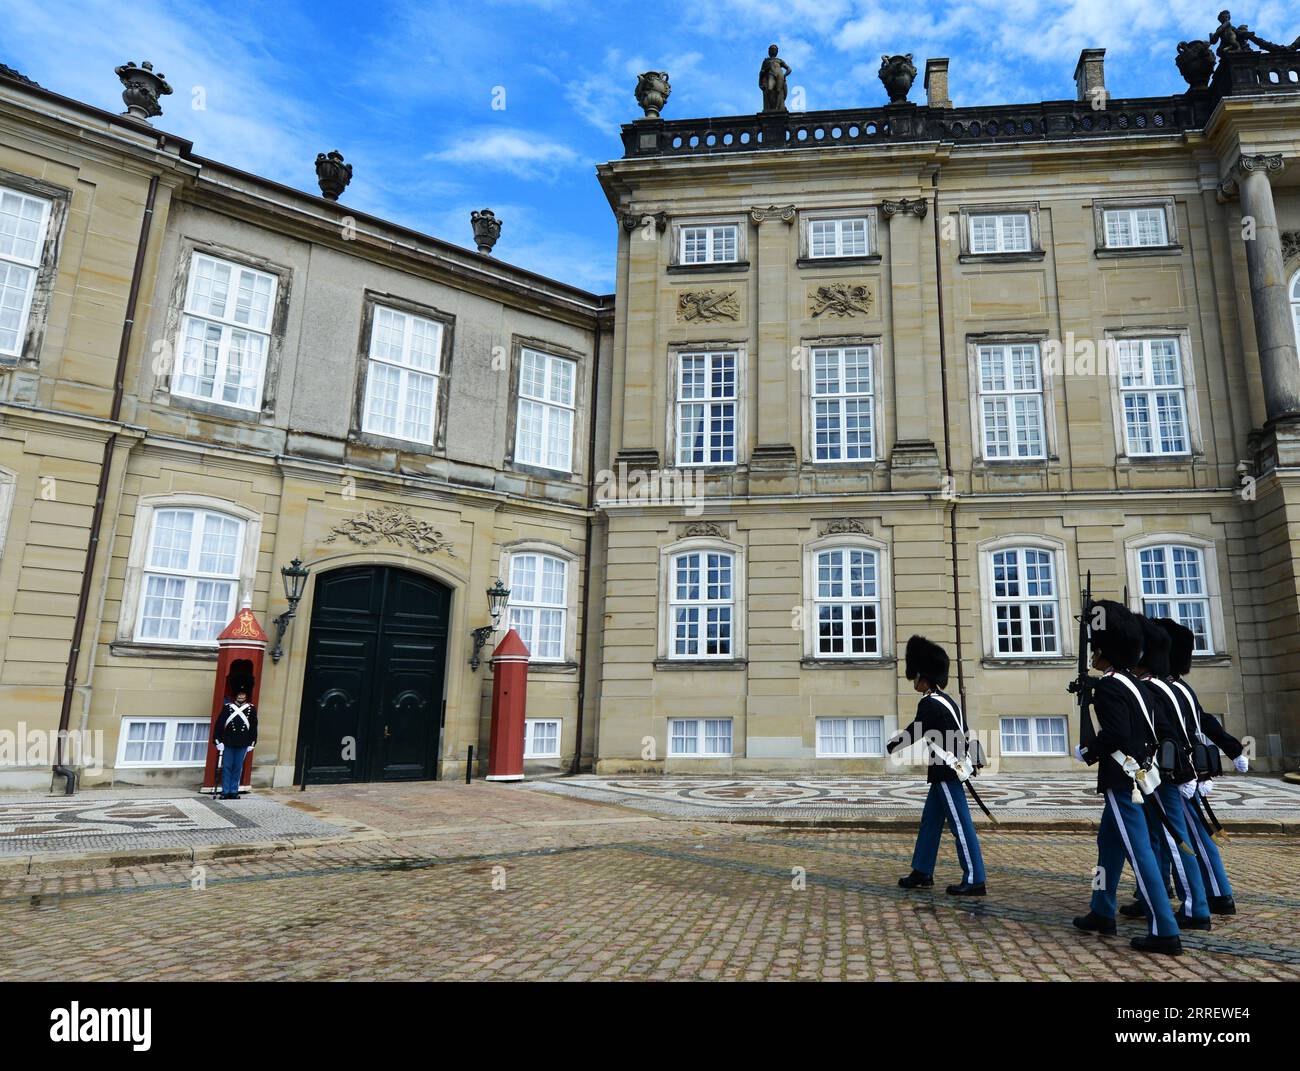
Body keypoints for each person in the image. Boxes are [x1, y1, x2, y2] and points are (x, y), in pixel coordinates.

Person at [1072, 600, 1182, 955]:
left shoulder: (1109, 687)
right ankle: (1101, 907)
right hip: (1141, 777)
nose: (1092, 655)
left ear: (1105, 652)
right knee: (1107, 849)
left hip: (1123, 782)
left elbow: (1117, 734)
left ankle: (1165, 929)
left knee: (1140, 854)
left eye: (1095, 650)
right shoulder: (1135, 684)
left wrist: (1088, 751)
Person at [1119, 617, 1212, 930]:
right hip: (1167, 770)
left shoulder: (1154, 690)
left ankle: (1195, 908)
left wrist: (1189, 773)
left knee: (1176, 841)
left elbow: (1173, 733)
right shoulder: (1162, 686)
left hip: (1163, 773)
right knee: (1162, 839)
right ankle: (1159, 896)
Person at [1157, 617, 1246, 915]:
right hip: (1190, 767)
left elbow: (1184, 730)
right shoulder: (1180, 686)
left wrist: (1189, 770)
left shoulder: (1168, 688)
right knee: (1194, 831)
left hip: (1181, 769)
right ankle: (1214, 891)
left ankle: (1215, 895)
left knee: (1190, 834)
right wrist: (1232, 748)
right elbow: (1204, 722)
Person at [887, 635, 987, 896]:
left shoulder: (929, 703)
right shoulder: (947, 699)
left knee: (960, 825)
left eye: (916, 676)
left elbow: (915, 730)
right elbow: (964, 730)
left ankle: (975, 878)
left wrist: (892, 745)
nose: (914, 681)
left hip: (946, 770)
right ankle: (922, 870)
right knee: (930, 822)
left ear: (924, 676)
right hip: (947, 768)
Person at [214, 684, 257, 800]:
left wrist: (252, 743)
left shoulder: (251, 709)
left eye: (243, 694)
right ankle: (225, 791)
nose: (241, 696)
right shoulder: (228, 707)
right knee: (227, 766)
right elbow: (219, 725)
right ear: (236, 696)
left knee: (238, 767)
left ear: (246, 696)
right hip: (228, 742)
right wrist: (218, 741)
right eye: (239, 694)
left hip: (243, 742)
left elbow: (253, 727)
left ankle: (234, 790)